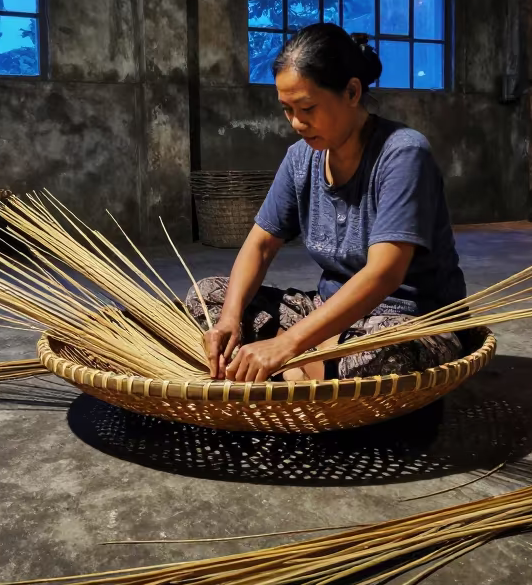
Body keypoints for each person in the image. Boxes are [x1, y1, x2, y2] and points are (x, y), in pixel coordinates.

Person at [186, 23, 468, 383]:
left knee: (378, 361)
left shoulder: (402, 153)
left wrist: (288, 343)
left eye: (307, 107)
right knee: (207, 298)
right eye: (287, 109)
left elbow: (384, 274)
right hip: (328, 313)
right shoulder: (300, 159)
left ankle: (293, 363)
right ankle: (310, 363)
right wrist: (228, 320)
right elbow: (260, 245)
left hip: (405, 319)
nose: (297, 123)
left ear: (352, 91)